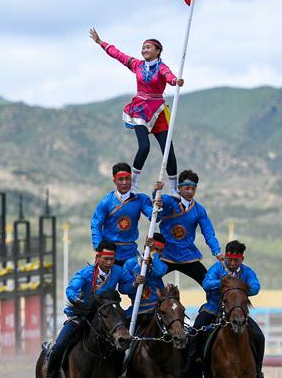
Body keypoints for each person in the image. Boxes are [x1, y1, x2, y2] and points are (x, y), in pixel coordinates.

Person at [90, 28, 184, 194]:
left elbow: (169, 76)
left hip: (159, 111)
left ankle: (173, 188)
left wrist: (176, 81)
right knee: (144, 147)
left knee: (168, 149)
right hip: (140, 110)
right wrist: (100, 42)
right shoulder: (137, 65)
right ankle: (134, 184)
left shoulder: (162, 67)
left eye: (148, 47)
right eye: (143, 47)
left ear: (157, 51)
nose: (144, 50)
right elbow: (118, 54)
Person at [34, 242, 133, 378]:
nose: (109, 263)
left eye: (112, 259)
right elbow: (71, 289)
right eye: (106, 259)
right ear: (98, 257)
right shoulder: (86, 273)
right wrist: (76, 299)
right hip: (81, 315)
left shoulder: (119, 271)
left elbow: (128, 287)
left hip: (104, 318)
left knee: (122, 347)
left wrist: (136, 282)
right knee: (60, 345)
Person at [186, 240, 269, 378]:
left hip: (237, 313)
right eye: (229, 260)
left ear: (242, 259)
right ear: (225, 257)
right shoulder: (217, 269)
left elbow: (256, 287)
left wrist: (238, 286)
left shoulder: (247, 272)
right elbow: (206, 284)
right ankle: (191, 368)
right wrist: (222, 283)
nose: (232, 263)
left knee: (259, 337)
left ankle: (257, 372)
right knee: (194, 332)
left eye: (236, 260)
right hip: (212, 310)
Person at [158, 169, 223, 286]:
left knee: (210, 285)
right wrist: (156, 192)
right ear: (179, 188)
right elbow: (159, 200)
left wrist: (217, 251)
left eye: (193, 189)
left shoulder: (199, 210)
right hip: (165, 254)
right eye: (187, 188)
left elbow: (209, 234)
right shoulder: (170, 201)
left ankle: (214, 304)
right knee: (146, 282)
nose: (190, 191)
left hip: (187, 255)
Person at [90, 162, 160, 266]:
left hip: (130, 253)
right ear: (114, 180)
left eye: (127, 179)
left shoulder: (141, 200)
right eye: (121, 179)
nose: (124, 182)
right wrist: (99, 246)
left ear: (131, 180)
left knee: (137, 280)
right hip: (109, 253)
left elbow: (155, 217)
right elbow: (95, 224)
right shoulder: (106, 202)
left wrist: (157, 205)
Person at [120, 233, 169, 330]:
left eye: (160, 251)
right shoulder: (130, 263)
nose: (158, 253)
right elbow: (122, 289)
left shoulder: (161, 265)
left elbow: (159, 272)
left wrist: (153, 255)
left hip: (156, 310)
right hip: (136, 310)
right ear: (146, 247)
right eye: (155, 249)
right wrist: (135, 283)